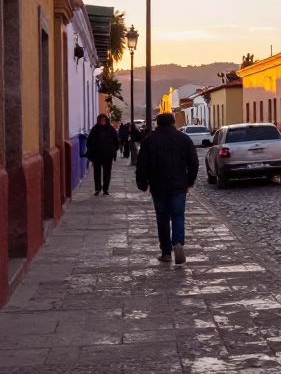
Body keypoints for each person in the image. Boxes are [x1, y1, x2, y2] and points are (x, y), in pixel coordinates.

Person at [135, 112, 199, 264]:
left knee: (162, 218)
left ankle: (165, 252)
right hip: (179, 184)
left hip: (158, 185)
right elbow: (194, 162)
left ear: (158, 123)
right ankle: (177, 243)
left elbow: (142, 164)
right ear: (173, 122)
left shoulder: (149, 140)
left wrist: (142, 183)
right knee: (178, 214)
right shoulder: (183, 138)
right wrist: (190, 181)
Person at [85, 113, 120, 195]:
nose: (102, 122)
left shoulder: (111, 129)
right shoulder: (95, 129)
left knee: (107, 172)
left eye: (104, 120)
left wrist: (114, 149)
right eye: (101, 120)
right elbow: (89, 140)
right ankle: (97, 189)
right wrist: (91, 149)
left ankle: (105, 189)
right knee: (97, 172)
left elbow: (116, 141)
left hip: (108, 155)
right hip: (97, 155)